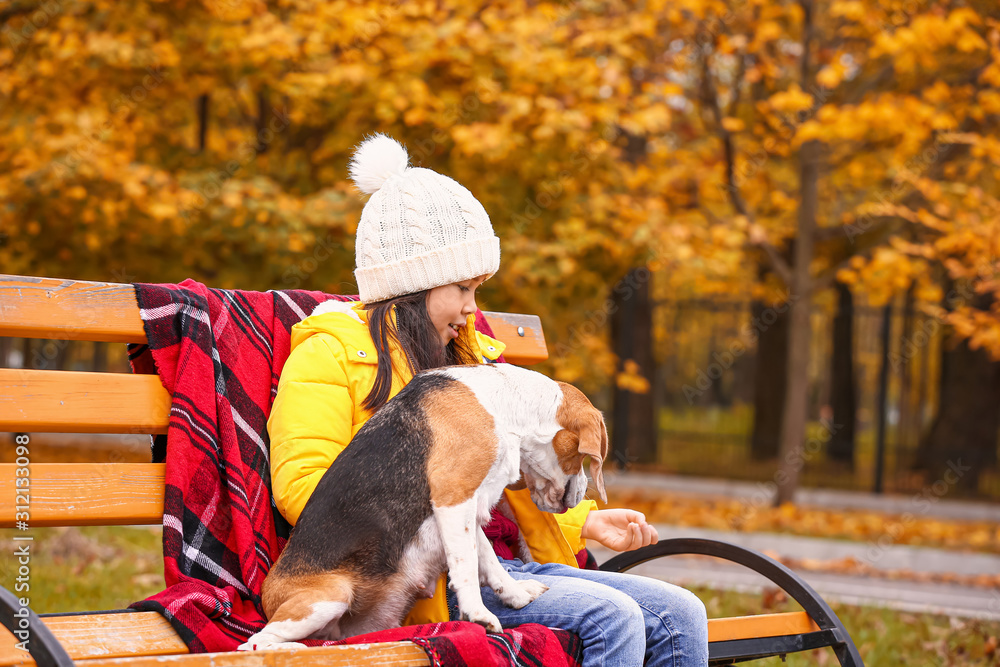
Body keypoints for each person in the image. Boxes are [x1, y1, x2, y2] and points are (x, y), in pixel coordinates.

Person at [267, 133, 709, 666]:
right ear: (415, 284)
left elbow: (500, 498)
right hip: (419, 577)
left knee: (681, 613)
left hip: (503, 566)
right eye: (463, 290)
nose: (472, 311)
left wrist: (583, 523)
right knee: (612, 616)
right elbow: (302, 488)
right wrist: (439, 519)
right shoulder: (331, 355)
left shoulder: (473, 363)